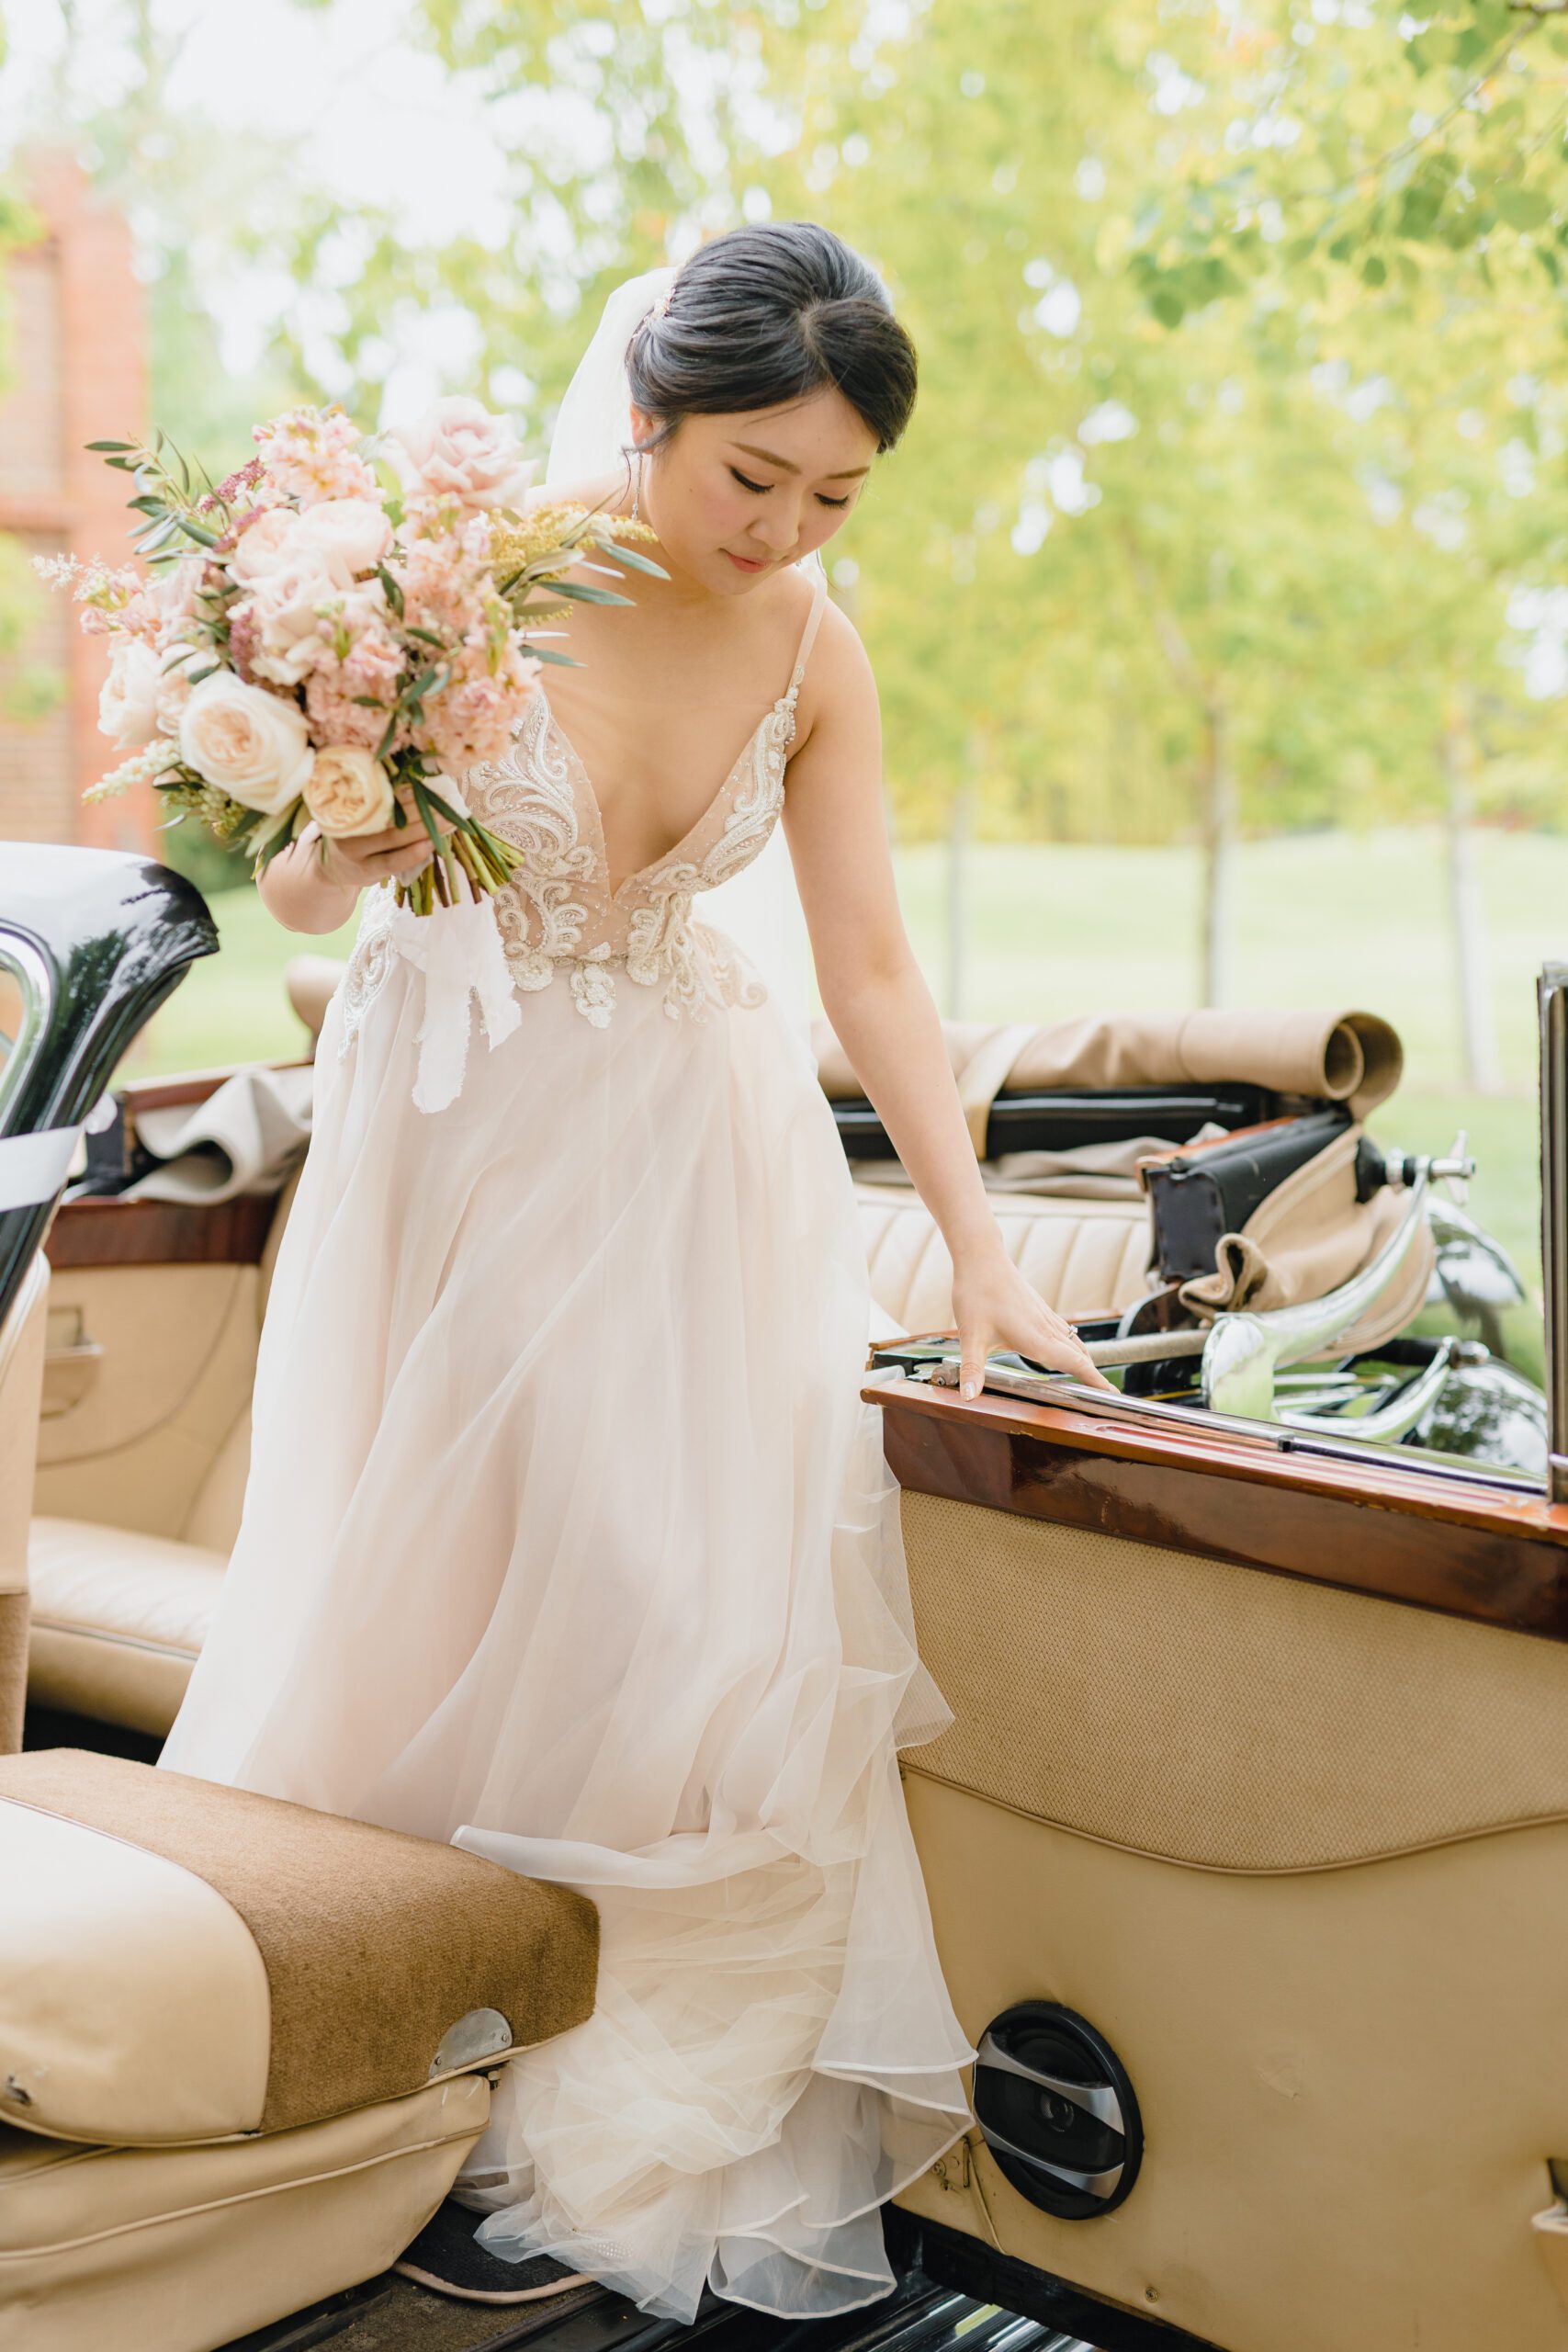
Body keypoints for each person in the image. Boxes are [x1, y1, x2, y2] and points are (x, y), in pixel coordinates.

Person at [157, 220, 1110, 2323]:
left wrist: (965, 1230)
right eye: (747, 477)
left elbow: (865, 955)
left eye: (833, 495)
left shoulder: (811, 644)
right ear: (649, 416)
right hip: (458, 1128)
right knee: (450, 1578)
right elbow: (301, 884)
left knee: (675, 1608)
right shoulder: (456, 580)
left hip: (690, 1150)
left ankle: (605, 2072)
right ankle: (381, 2030)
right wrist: (347, 822)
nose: (781, 530)